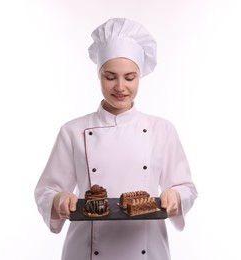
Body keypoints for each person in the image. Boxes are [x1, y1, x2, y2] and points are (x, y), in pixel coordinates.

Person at [35, 17, 198, 260]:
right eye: (110, 77)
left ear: (140, 77)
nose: (120, 87)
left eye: (130, 77)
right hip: (87, 250)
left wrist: (176, 197)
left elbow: (186, 188)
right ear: (98, 75)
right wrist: (59, 199)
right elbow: (46, 190)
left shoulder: (162, 130)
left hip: (147, 249)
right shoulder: (73, 130)